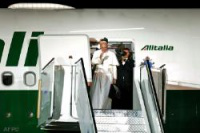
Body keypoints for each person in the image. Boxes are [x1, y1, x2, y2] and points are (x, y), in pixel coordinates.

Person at [90, 37, 119, 109]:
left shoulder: (111, 54)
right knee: (97, 93)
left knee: (106, 94)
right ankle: (96, 107)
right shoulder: (96, 53)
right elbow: (93, 62)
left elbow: (114, 67)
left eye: (104, 43)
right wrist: (100, 58)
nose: (102, 45)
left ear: (107, 44)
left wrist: (115, 78)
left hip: (108, 75)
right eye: (101, 44)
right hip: (98, 74)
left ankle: (105, 108)